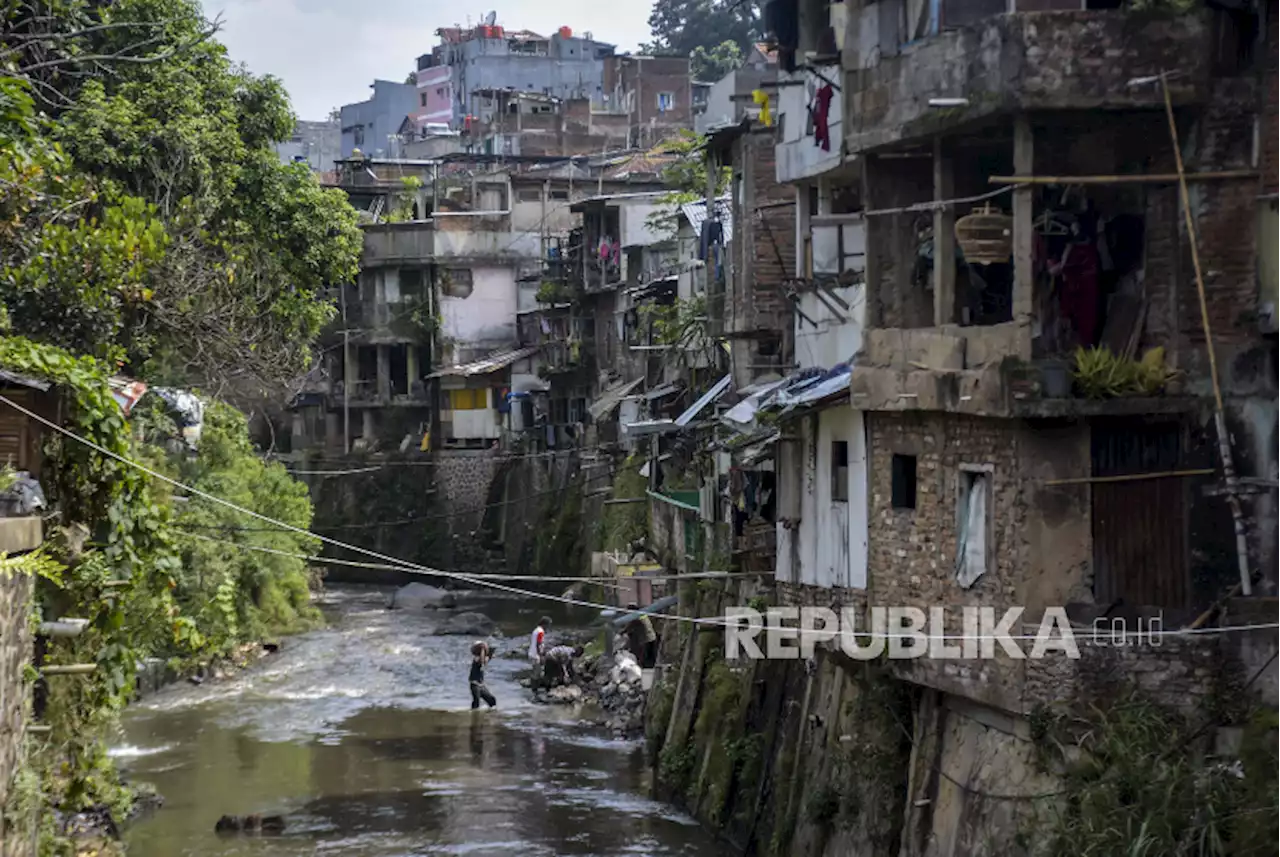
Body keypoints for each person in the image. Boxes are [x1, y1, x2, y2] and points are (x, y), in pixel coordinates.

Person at [624, 603, 658, 669]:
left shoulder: (638, 616)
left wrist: (623, 631)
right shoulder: (641, 614)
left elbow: (632, 624)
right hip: (650, 637)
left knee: (645, 656)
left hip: (647, 638)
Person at [469, 641, 496, 710]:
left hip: (481, 686)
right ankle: (474, 716)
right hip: (475, 685)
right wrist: (482, 649)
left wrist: (490, 654)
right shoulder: (476, 658)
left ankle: (490, 714)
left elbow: (485, 660)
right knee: (476, 703)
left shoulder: (483, 660)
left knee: (492, 700)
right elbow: (481, 661)